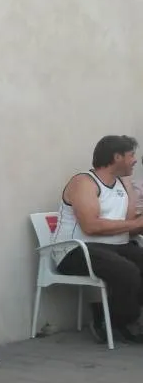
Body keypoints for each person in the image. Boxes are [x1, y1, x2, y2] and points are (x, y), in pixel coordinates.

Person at [51, 135, 143, 343]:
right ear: (117, 157)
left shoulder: (121, 184)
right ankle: (113, 320)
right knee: (127, 271)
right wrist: (136, 224)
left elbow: (129, 224)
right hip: (75, 251)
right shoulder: (84, 182)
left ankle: (115, 315)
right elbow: (90, 226)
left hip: (113, 247)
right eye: (131, 155)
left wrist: (130, 191)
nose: (135, 160)